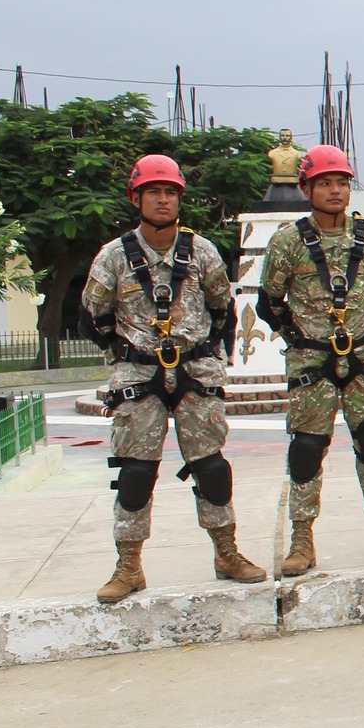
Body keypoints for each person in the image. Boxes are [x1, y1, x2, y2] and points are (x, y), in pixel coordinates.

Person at [82, 153, 260, 602]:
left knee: (212, 468)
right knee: (136, 473)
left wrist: (200, 353)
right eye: (154, 192)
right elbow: (92, 316)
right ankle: (128, 567)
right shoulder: (113, 257)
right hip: (137, 372)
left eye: (170, 192)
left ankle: (227, 553)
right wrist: (124, 352)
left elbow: (222, 310)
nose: (163, 200)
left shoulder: (201, 251)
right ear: (136, 197)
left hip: (195, 371)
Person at [259, 143, 364, 566]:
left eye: (341, 183)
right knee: (307, 449)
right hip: (311, 361)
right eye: (325, 183)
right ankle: (301, 541)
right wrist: (302, 338)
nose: (335, 191)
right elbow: (270, 303)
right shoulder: (287, 242)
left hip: (363, 358)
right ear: (306, 187)